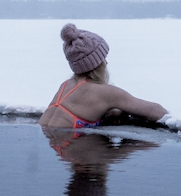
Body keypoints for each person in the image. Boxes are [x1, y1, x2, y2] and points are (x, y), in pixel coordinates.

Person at [38, 23, 167, 129]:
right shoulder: (105, 92)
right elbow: (158, 112)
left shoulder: (66, 85)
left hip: (54, 150)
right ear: (97, 63)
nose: (106, 62)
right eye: (103, 59)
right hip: (74, 149)